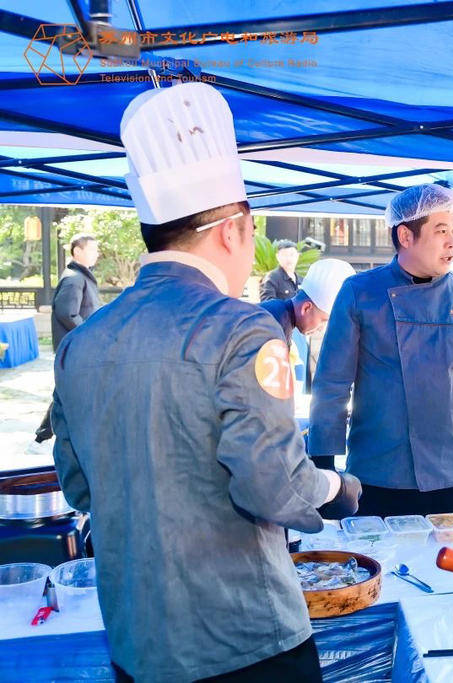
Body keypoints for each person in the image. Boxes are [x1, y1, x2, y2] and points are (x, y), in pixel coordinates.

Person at [50, 82, 361, 682]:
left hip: (139, 643)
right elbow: (273, 487)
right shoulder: (242, 329)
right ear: (233, 230)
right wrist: (335, 486)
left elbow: (80, 489)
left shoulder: (81, 343)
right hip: (248, 642)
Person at [308, 184, 453, 518]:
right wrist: (324, 462)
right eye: (441, 231)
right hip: (377, 472)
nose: (452, 242)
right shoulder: (360, 292)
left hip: (451, 475)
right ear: (405, 236)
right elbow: (332, 383)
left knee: (446, 566)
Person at [34, 234, 102, 444]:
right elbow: (67, 313)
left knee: (69, 391)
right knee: (66, 392)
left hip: (79, 347)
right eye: (92, 249)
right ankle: (43, 436)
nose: (96, 254)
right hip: (76, 347)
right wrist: (88, 337)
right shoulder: (74, 278)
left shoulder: (82, 276)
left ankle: (46, 435)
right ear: (77, 251)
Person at [260, 258, 355, 345]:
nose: (322, 329)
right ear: (306, 308)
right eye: (323, 321)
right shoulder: (274, 327)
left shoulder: (277, 315)